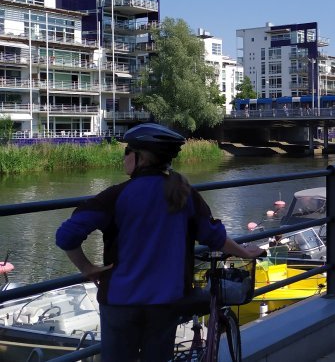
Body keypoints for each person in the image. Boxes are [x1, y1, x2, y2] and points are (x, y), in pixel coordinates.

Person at [55, 123, 264, 362]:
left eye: (127, 152)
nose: (124, 158)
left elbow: (66, 236)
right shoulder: (184, 194)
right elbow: (214, 237)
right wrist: (245, 254)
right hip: (166, 301)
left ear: (139, 157)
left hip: (120, 301)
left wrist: (87, 268)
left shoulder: (116, 195)